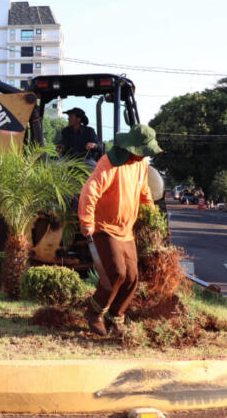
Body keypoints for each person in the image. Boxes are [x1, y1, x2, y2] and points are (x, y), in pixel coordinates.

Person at [77, 124, 162, 336]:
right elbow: (90, 191)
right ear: (132, 148)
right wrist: (87, 220)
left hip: (126, 230)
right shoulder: (109, 164)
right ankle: (94, 313)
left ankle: (115, 317)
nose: (144, 157)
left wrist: (151, 216)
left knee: (132, 277)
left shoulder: (140, 165)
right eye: (143, 152)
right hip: (104, 227)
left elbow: (144, 192)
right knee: (116, 273)